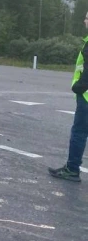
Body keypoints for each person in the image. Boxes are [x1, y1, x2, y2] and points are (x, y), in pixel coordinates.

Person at [49, 11, 88, 183]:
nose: (84, 20)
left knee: (79, 132)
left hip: (86, 97)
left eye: (87, 18)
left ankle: (72, 169)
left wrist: (78, 87)